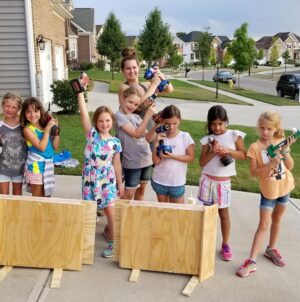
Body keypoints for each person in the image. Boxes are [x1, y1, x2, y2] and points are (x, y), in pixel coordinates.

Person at [236, 111, 295, 278]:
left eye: (269, 128)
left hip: (285, 186)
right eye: (262, 128)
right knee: (263, 225)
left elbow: (290, 166)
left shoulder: (280, 141)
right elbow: (254, 172)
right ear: (258, 127)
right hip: (268, 191)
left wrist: (284, 151)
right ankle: (251, 261)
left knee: (277, 219)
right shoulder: (255, 147)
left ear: (275, 128)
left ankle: (271, 249)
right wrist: (271, 163)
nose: (265, 132)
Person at [77, 89, 124, 258]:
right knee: (89, 211)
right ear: (96, 122)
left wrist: (119, 183)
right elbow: (83, 113)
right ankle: (85, 244)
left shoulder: (115, 142)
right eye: (101, 121)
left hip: (108, 179)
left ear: (112, 121)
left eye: (108, 120)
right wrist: (80, 93)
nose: (104, 124)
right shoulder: (92, 136)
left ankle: (113, 242)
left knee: (110, 210)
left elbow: (116, 163)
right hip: (90, 179)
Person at [197, 105, 246, 261]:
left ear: (226, 122)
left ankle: (225, 244)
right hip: (206, 181)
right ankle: (205, 242)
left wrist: (226, 150)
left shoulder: (234, 135)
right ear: (209, 123)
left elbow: (243, 155)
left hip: (223, 183)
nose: (216, 127)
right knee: (205, 214)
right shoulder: (207, 140)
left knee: (223, 214)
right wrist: (213, 151)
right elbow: (202, 162)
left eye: (220, 123)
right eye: (213, 124)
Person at [115, 86, 158, 201]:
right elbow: (136, 133)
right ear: (123, 98)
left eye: (135, 104)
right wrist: (147, 116)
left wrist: (156, 125)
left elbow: (149, 138)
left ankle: (136, 215)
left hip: (146, 159)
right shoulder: (119, 116)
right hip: (132, 161)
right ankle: (120, 217)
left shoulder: (136, 117)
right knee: (129, 193)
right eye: (130, 102)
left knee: (141, 190)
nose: (132, 106)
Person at [151, 105, 195, 203]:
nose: (171, 127)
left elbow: (191, 157)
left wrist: (172, 156)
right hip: (160, 180)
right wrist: (156, 144)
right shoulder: (160, 136)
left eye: (175, 123)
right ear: (162, 121)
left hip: (177, 182)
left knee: (178, 213)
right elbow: (156, 161)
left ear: (180, 120)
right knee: (163, 212)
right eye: (167, 123)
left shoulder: (185, 137)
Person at [118, 48, 174, 123]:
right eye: (128, 68)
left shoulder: (146, 85)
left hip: (150, 129)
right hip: (134, 131)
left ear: (139, 67)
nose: (132, 71)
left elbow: (169, 89)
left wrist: (160, 75)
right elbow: (137, 102)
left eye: (134, 67)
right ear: (123, 71)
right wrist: (154, 84)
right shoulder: (124, 87)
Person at [20, 97, 60, 197]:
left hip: (48, 166)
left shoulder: (45, 126)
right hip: (36, 168)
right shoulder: (28, 130)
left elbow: (55, 146)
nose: (33, 115)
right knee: (38, 200)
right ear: (24, 114)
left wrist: (56, 130)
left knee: (47, 197)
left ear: (41, 111)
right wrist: (47, 130)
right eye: (28, 112)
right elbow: (41, 147)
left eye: (36, 111)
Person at [0, 93, 27, 195]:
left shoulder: (24, 125)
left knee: (17, 198)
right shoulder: (0, 126)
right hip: (2, 169)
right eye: (7, 106)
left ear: (18, 109)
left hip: (19, 169)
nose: (10, 110)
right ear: (3, 105)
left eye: (14, 107)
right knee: (3, 199)